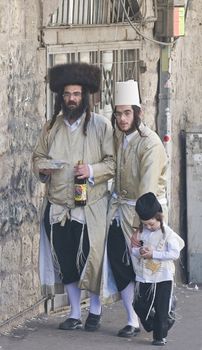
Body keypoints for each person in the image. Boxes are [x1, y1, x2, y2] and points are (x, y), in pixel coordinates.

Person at [32, 62, 115, 332]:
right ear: (61, 97)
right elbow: (37, 158)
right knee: (65, 259)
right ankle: (73, 314)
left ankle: (94, 310)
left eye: (76, 94)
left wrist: (91, 170)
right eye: (67, 94)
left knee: (89, 259)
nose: (71, 99)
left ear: (85, 96)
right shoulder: (50, 127)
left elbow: (114, 163)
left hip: (89, 205)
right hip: (57, 205)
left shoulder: (101, 126)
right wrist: (42, 169)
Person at [103, 80, 168, 338]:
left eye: (127, 113)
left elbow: (147, 191)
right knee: (120, 266)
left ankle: (158, 316)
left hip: (144, 216)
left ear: (137, 112)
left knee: (146, 270)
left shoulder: (150, 143)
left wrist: (138, 228)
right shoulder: (118, 137)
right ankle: (132, 319)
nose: (122, 118)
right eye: (118, 113)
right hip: (119, 211)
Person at [131, 192, 185, 346]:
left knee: (161, 309)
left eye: (151, 224)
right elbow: (133, 251)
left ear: (159, 217)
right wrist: (139, 252)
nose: (148, 227)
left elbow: (174, 253)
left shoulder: (168, 234)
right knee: (139, 305)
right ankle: (157, 324)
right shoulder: (141, 233)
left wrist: (154, 254)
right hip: (144, 276)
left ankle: (159, 336)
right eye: (145, 224)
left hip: (163, 276)